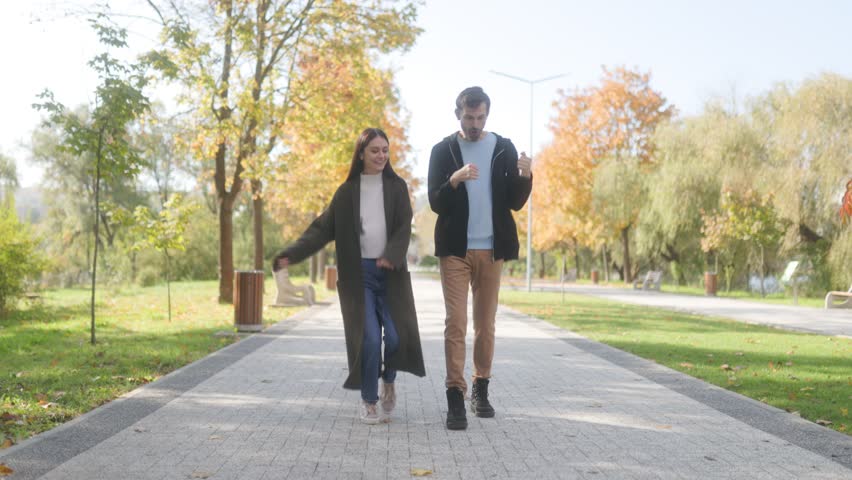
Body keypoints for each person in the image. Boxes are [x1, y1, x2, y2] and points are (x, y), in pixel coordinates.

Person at [272, 127, 425, 425]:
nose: (381, 155)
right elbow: (321, 229)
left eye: (385, 150)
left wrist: (391, 255)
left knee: (395, 338)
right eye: (374, 150)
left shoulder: (396, 187)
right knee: (368, 339)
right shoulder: (346, 193)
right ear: (361, 154)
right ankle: (369, 401)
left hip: (391, 274)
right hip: (360, 276)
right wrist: (292, 253)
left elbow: (403, 227)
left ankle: (388, 380)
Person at [427, 86, 532, 430]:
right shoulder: (443, 150)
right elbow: (436, 202)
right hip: (455, 250)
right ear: (457, 114)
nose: (475, 123)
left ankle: (480, 389)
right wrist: (454, 180)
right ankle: (454, 396)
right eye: (469, 117)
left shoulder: (502, 147)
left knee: (485, 325)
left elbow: (515, 202)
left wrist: (526, 175)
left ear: (487, 115)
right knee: (455, 323)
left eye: (480, 117)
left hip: (492, 248)